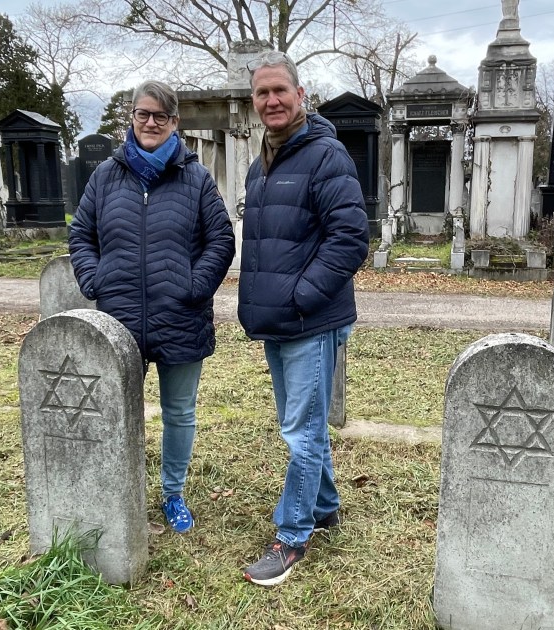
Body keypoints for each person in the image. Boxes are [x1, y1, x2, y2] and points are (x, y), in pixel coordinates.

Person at [68, 80, 235, 534]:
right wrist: (94, 279)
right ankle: (118, 488)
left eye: (161, 116)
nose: (151, 123)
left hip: (180, 316)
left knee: (178, 412)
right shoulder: (106, 176)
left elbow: (221, 240)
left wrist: (194, 287)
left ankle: (172, 493)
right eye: (143, 113)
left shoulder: (196, 178)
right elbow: (81, 234)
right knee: (116, 407)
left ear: (174, 122)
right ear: (132, 117)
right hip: (118, 317)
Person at [238, 51, 369, 586]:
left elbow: (350, 238)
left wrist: (301, 297)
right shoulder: (261, 164)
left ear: (300, 95)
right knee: (305, 425)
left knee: (301, 431)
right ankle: (326, 507)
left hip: (310, 320)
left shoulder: (325, 156)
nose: (271, 100)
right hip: (278, 319)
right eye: (262, 92)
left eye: (280, 90)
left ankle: (292, 536)